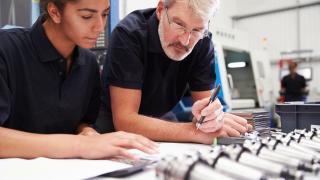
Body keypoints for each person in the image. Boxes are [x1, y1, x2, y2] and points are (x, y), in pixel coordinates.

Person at [0, 0, 158, 159]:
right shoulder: (6, 49)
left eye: (105, 14)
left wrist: (87, 132)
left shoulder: (88, 63)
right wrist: (81, 145)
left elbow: (81, 123)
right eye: (87, 16)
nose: (100, 26)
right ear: (54, 12)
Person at [95, 0, 252, 144]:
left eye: (197, 29)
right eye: (179, 24)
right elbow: (125, 120)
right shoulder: (129, 34)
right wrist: (194, 132)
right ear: (160, 10)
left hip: (161, 122)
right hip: (112, 129)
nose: (185, 41)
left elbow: (205, 114)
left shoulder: (203, 43)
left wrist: (213, 119)